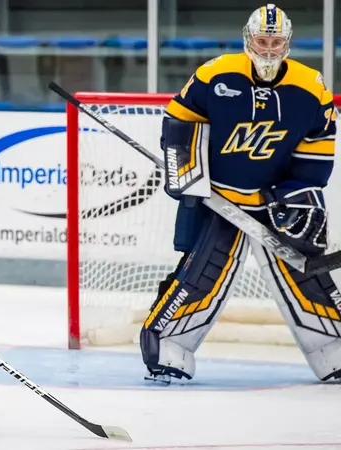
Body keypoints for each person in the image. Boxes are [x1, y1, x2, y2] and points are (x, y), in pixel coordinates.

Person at [142, 4, 339, 383]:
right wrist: (185, 173)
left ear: (288, 43)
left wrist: (295, 194)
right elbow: (180, 120)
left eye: (276, 41)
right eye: (262, 41)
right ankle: (168, 348)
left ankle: (334, 350)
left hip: (273, 202)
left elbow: (318, 146)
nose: (268, 49)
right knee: (202, 274)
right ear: (248, 39)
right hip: (222, 199)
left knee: (305, 276)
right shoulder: (216, 73)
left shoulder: (311, 86)